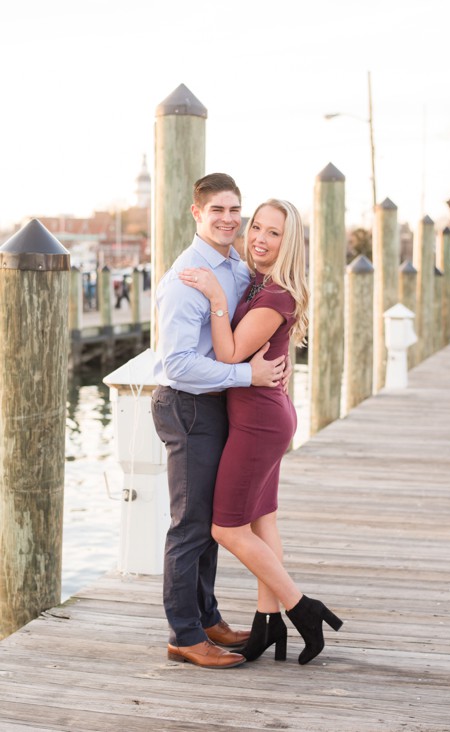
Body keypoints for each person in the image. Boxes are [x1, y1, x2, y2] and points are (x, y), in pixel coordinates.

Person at [178, 198, 343, 665]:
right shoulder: (259, 284)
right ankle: (265, 623)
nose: (259, 238)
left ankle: (301, 608)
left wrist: (213, 296)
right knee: (261, 520)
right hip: (266, 413)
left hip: (257, 420)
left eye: (273, 233)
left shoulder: (275, 296)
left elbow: (229, 355)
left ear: (288, 243)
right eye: (257, 227)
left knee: (226, 529)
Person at [152, 173, 287, 670]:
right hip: (187, 405)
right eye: (217, 211)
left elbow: (252, 323)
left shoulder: (233, 266)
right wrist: (245, 374)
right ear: (196, 214)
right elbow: (178, 364)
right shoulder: (187, 276)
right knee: (189, 526)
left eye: (236, 210)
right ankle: (184, 635)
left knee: (210, 523)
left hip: (218, 403)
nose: (229, 219)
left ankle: (208, 618)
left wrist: (272, 361)